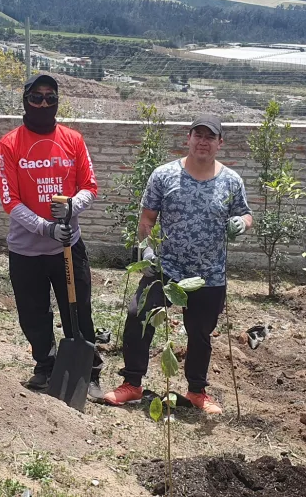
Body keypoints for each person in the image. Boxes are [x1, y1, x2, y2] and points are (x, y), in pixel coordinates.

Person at [102, 115, 253, 414]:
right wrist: (146, 251)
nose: (203, 141)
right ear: (188, 139)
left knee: (200, 334)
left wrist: (241, 224)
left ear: (219, 143)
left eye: (210, 137)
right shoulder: (163, 175)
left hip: (208, 273)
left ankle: (197, 391)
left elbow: (247, 215)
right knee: (138, 316)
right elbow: (147, 219)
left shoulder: (232, 181)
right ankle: (132, 384)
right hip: (165, 268)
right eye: (198, 135)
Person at [0, 73, 104, 399]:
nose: (44, 103)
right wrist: (46, 228)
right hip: (26, 251)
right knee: (33, 314)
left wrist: (72, 207)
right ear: (26, 101)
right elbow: (9, 201)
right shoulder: (9, 145)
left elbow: (90, 187)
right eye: (37, 97)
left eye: (50, 97)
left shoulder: (73, 140)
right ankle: (45, 365)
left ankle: (88, 371)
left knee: (78, 309)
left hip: (68, 247)